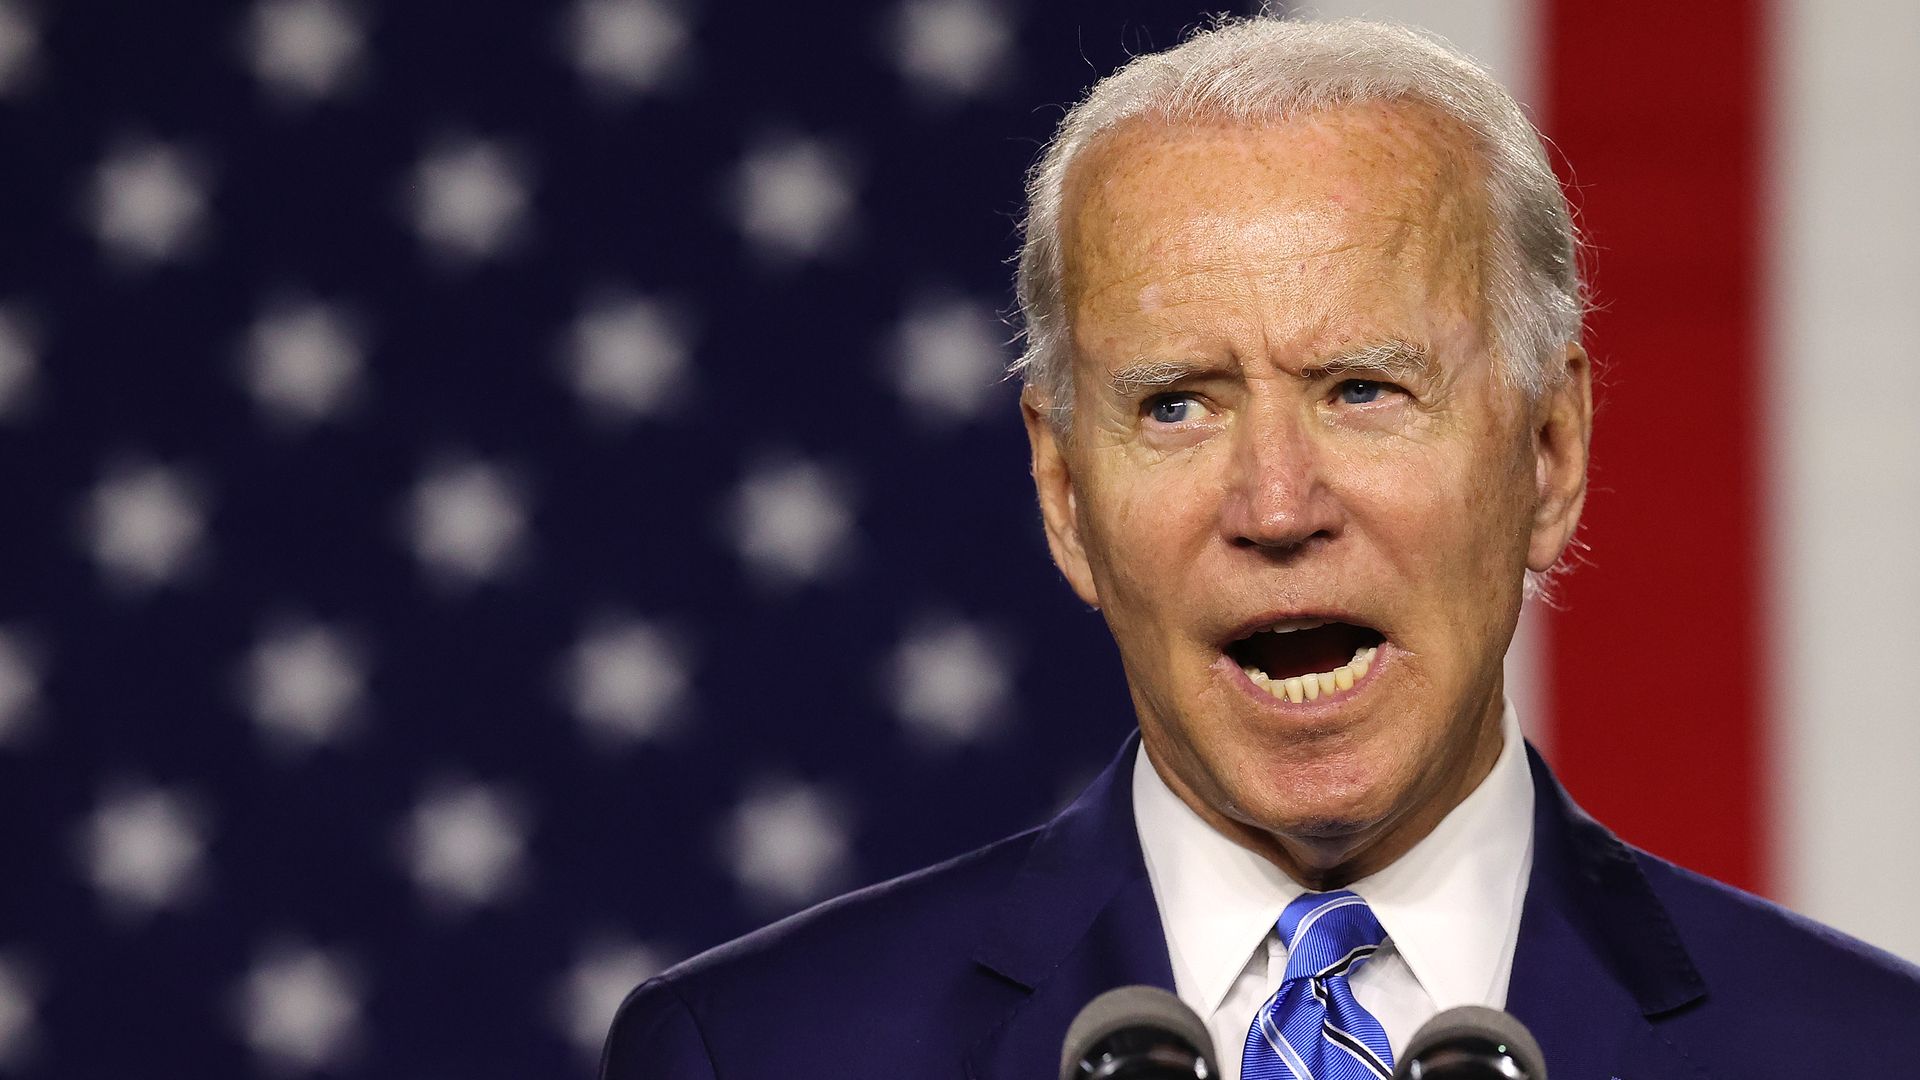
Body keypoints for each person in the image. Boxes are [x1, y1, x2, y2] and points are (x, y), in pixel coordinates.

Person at [602, 18, 1920, 1079]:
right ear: (1064, 492)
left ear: (1548, 454)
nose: (1279, 505)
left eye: (1363, 387)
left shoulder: (1862, 1053)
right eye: (1177, 403)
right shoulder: (764, 1054)